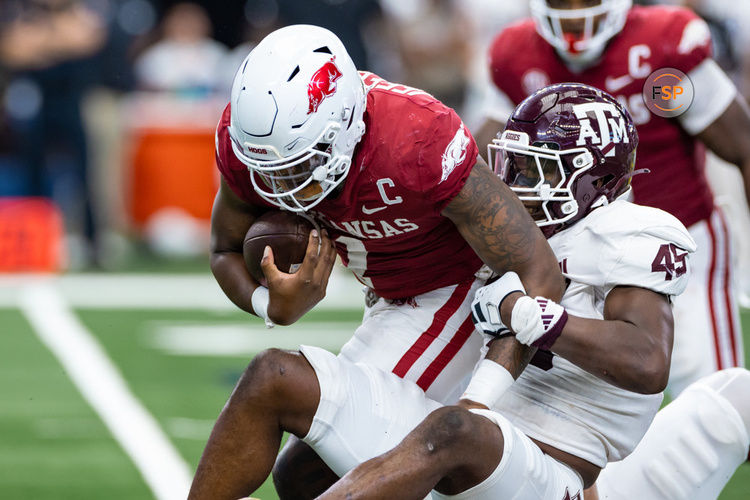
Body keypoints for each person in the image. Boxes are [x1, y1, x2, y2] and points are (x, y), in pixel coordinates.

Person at [314, 84, 748, 500]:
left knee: (738, 393)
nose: (515, 183)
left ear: (595, 180)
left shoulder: (620, 235)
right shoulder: (502, 239)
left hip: (552, 469)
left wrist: (534, 317)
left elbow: (648, 361)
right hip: (506, 455)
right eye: (514, 165)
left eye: (536, 169)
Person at [191, 24, 564, 499]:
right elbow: (224, 248)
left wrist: (479, 399)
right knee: (307, 475)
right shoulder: (257, 143)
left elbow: (539, 270)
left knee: (276, 387)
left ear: (345, 124)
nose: (285, 189)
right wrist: (268, 304)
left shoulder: (416, 139)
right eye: (273, 173)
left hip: (461, 293)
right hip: (391, 298)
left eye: (302, 167)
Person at [474, 0, 749, 397]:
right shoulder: (517, 55)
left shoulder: (658, 53)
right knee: (582, 388)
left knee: (715, 393)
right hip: (575, 245)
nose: (574, 13)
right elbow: (487, 152)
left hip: (680, 236)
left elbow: (742, 145)